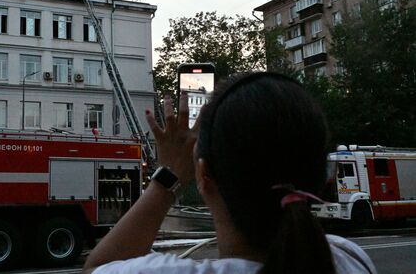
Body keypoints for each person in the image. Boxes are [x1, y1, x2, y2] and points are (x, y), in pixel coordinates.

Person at [83, 72, 376, 274]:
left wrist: (169, 175)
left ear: (204, 176)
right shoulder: (350, 258)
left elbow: (98, 266)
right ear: (324, 177)